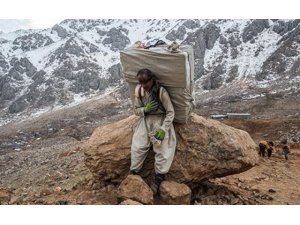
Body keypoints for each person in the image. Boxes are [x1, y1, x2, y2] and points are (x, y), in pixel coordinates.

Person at [130, 68, 176, 195]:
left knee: (163, 148)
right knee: (138, 146)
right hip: (145, 120)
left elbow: (171, 112)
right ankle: (134, 173)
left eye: (146, 83)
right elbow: (136, 110)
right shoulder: (139, 91)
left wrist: (163, 129)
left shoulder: (161, 92)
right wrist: (145, 109)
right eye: (141, 83)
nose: (144, 86)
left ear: (152, 80)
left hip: (160, 120)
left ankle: (158, 178)